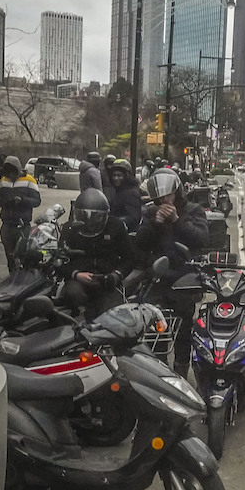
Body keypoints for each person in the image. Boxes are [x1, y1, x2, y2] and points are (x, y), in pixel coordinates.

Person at [134, 169, 209, 375]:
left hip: (184, 278)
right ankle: (159, 372)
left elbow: (201, 239)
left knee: (183, 329)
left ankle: (182, 372)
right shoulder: (149, 212)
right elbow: (140, 243)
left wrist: (177, 220)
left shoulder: (193, 210)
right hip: (157, 279)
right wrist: (156, 223)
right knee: (156, 328)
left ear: (177, 192)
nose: (164, 201)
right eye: (160, 198)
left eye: (168, 196)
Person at [57, 188, 134, 317]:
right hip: (77, 281)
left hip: (108, 281)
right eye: (84, 217)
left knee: (112, 314)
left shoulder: (116, 226)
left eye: (95, 218)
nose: (90, 223)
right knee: (73, 296)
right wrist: (76, 274)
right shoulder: (69, 229)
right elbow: (59, 261)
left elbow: (130, 258)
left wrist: (116, 275)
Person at [0, 155, 41, 270]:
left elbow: (37, 201)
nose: (10, 176)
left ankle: (23, 280)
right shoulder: (3, 180)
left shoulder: (29, 180)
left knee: (22, 257)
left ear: (17, 169)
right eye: (8, 173)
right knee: (10, 258)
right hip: (6, 224)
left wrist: (22, 200)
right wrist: (6, 202)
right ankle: (13, 279)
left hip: (22, 225)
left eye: (12, 172)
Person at [106, 158, 142, 233]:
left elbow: (133, 217)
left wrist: (116, 222)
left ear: (126, 176)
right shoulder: (117, 191)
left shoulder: (131, 193)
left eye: (119, 175)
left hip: (125, 235)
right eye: (114, 175)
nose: (116, 178)